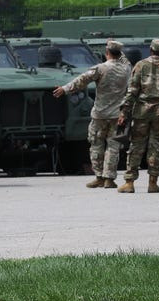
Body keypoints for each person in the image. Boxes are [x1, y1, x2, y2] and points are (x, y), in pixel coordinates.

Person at [53, 39, 131, 189]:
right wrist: (114, 46)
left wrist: (64, 89)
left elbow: (81, 81)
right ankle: (109, 179)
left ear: (106, 53)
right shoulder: (126, 68)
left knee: (96, 145)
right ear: (119, 53)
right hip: (118, 114)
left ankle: (99, 176)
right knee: (113, 147)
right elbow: (124, 59)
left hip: (100, 114)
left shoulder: (100, 69)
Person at [116, 38, 159, 194]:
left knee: (136, 146)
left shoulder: (140, 66)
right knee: (157, 147)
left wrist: (124, 112)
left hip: (142, 111)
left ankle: (129, 182)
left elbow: (132, 92)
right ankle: (153, 183)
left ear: (151, 49)